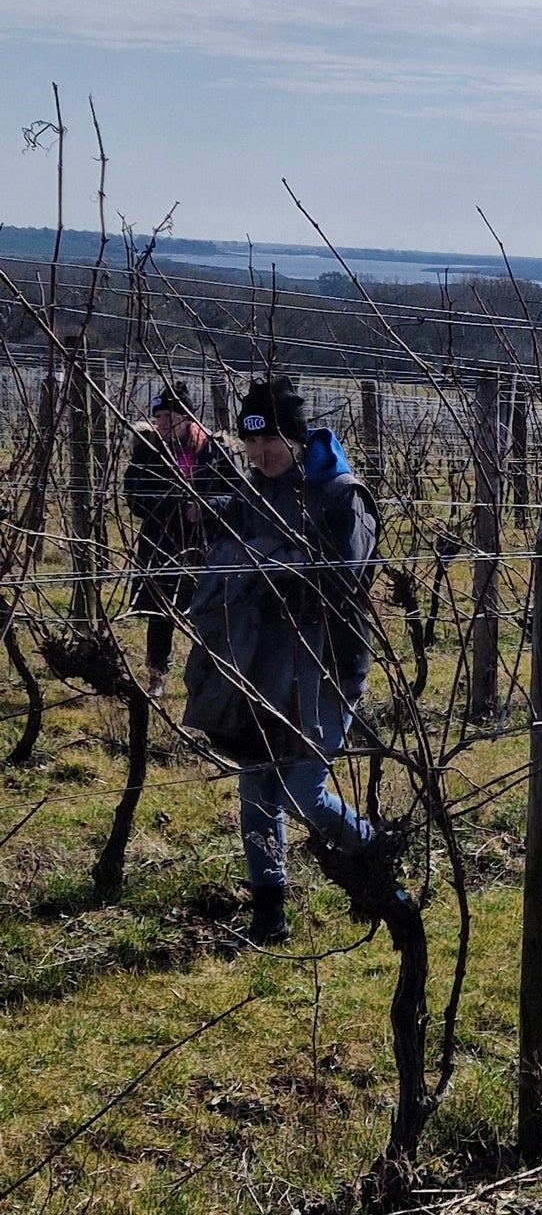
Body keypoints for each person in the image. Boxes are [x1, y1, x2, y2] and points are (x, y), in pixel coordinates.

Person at [182, 376, 381, 945]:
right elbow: (241, 533)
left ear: (295, 439)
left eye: (270, 447)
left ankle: (373, 850)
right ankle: (269, 913)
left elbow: (344, 582)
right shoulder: (253, 492)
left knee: (301, 792)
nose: (261, 458)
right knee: (255, 785)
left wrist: (278, 575)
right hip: (262, 665)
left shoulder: (342, 496)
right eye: (252, 451)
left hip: (328, 665)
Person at [121, 383, 237, 699]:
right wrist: (179, 506)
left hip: (206, 547)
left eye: (170, 416)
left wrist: (207, 508)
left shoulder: (216, 451)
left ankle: (213, 676)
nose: (163, 423)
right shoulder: (147, 451)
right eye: (158, 416)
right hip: (161, 545)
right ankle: (157, 676)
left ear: (187, 419)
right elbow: (134, 498)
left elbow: (237, 497)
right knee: (161, 614)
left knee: (212, 612)